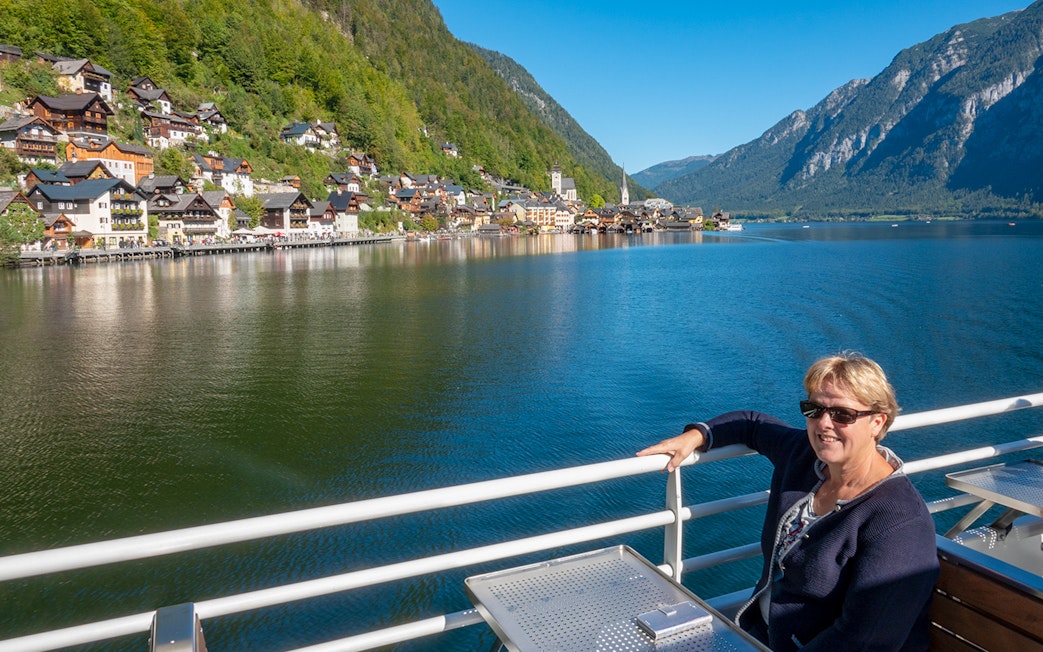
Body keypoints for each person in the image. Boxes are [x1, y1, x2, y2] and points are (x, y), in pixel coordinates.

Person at [637, 354, 938, 652]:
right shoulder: (805, 457)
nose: (823, 424)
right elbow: (752, 424)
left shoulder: (900, 523)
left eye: (842, 414)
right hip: (760, 632)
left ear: (877, 422)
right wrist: (698, 435)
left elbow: (865, 640)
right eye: (814, 409)